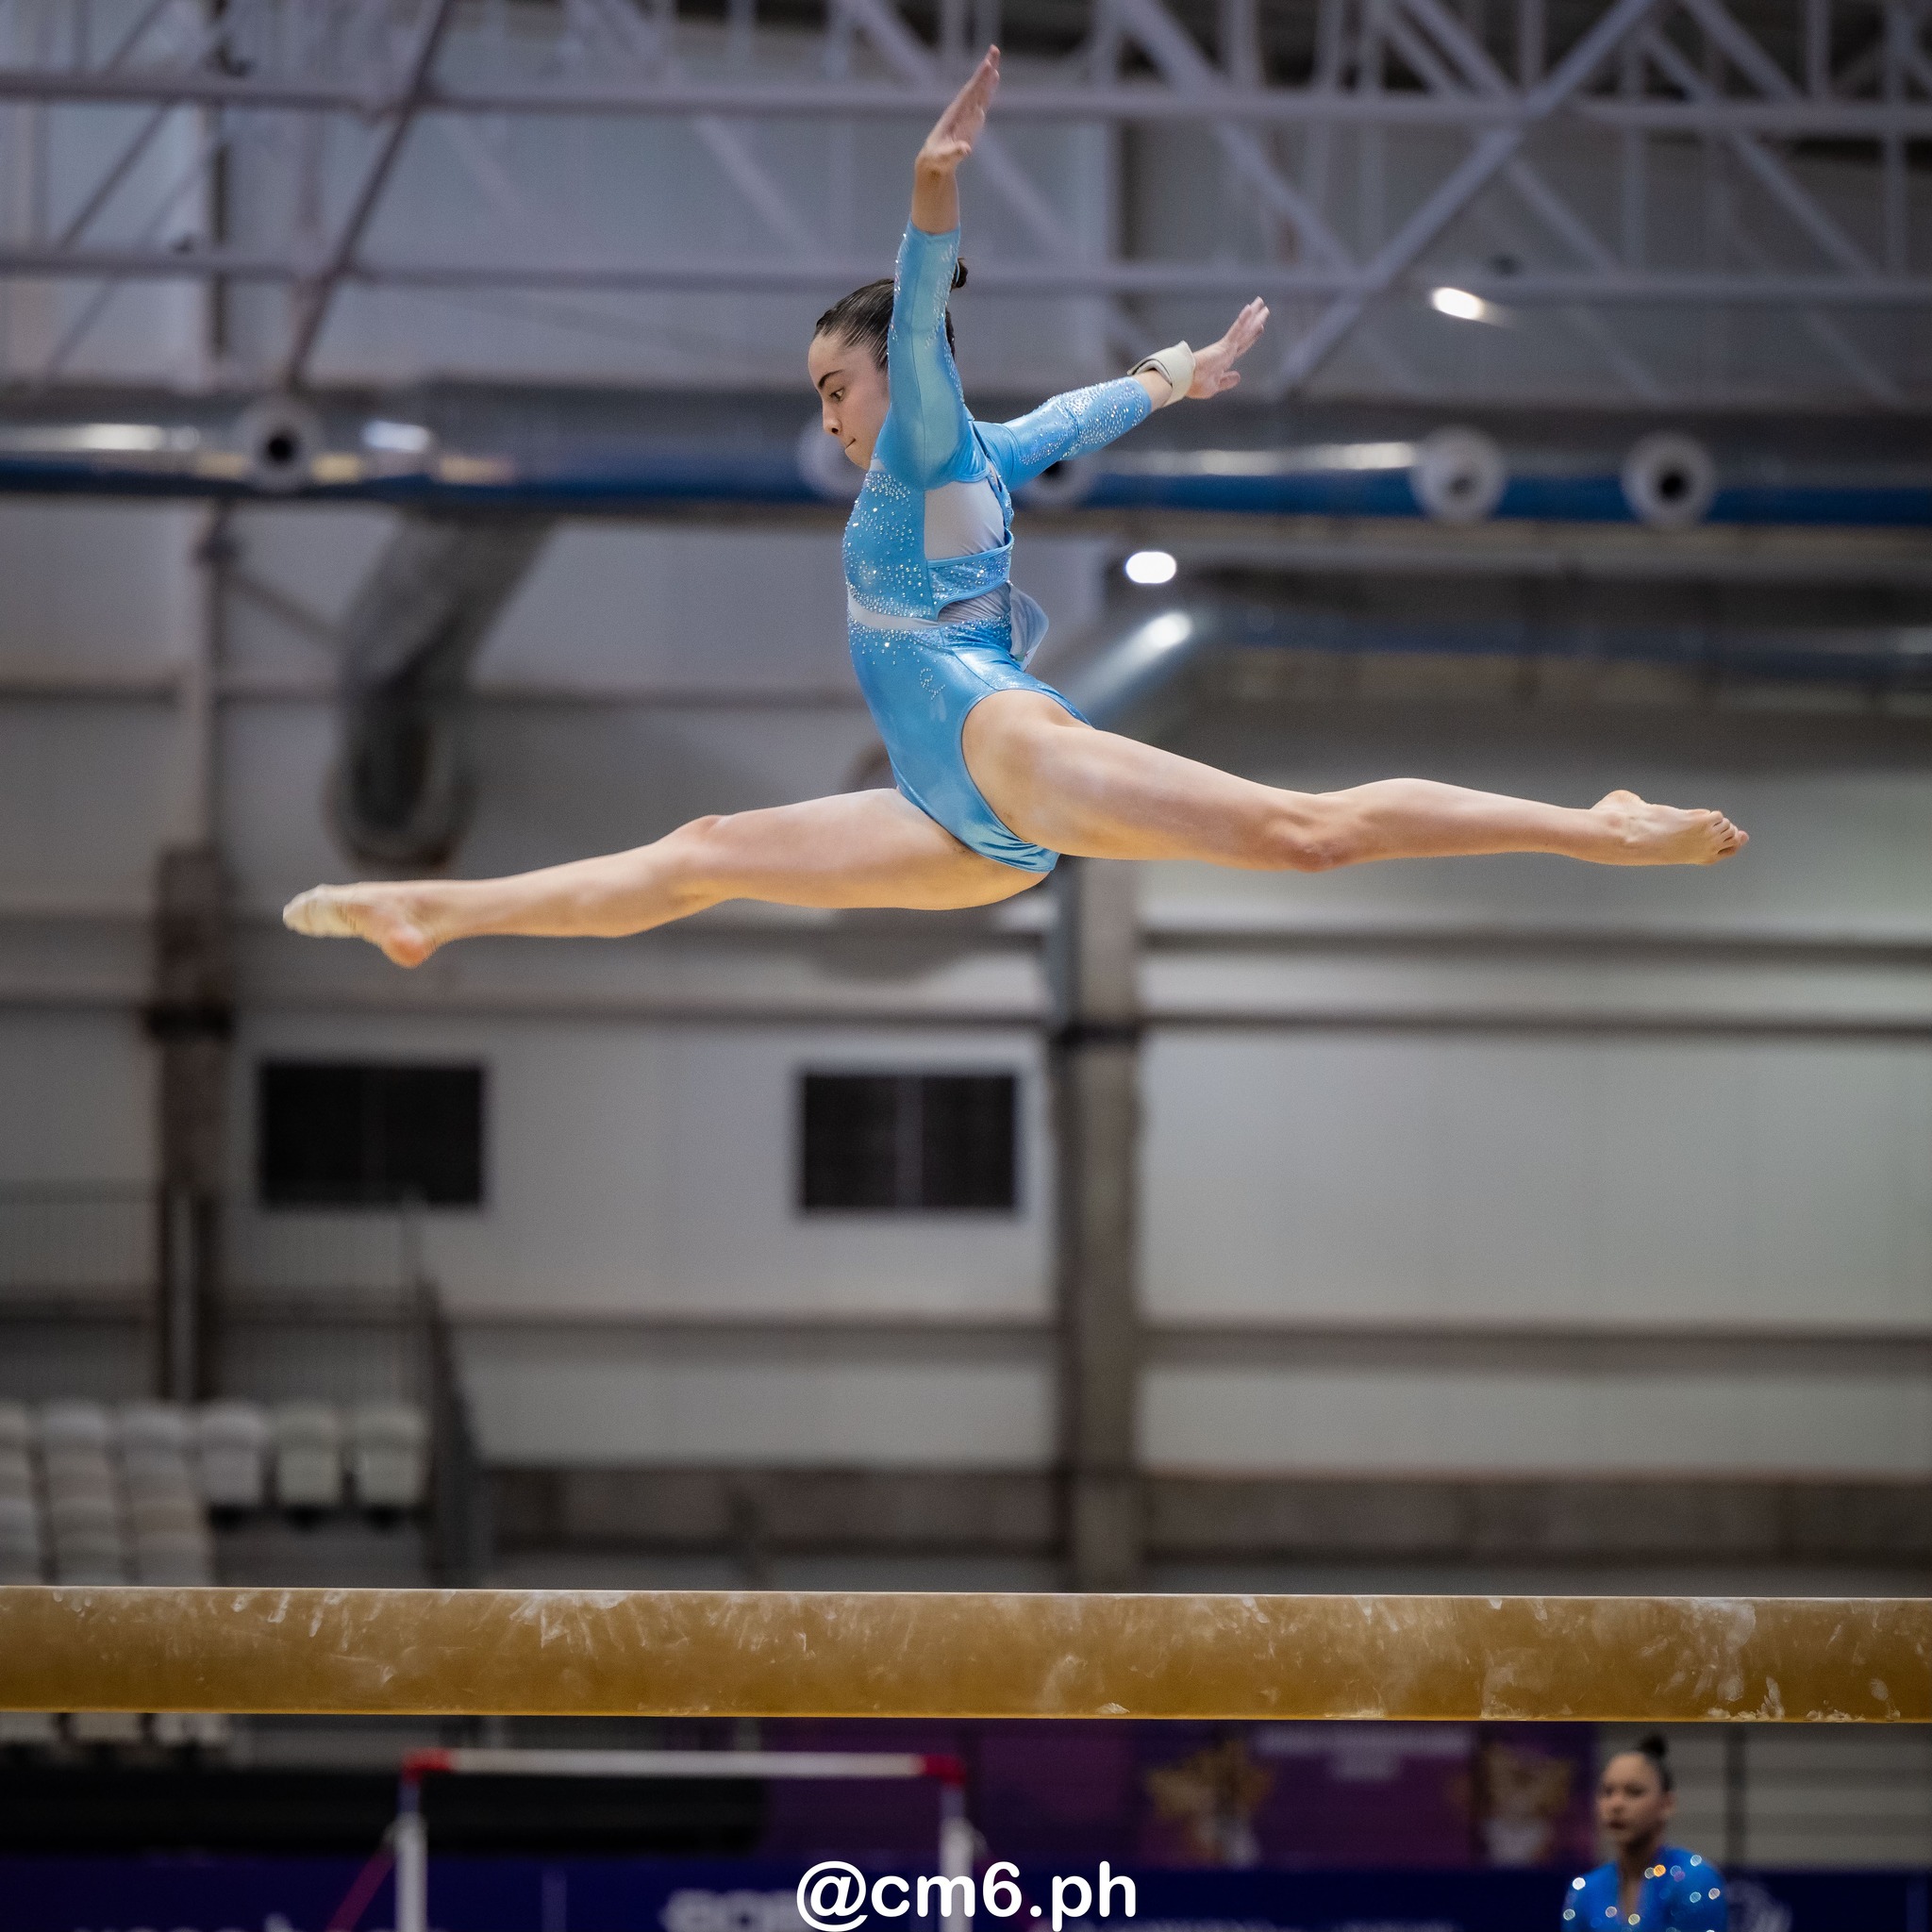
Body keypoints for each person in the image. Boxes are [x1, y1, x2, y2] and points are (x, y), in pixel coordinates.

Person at [282, 47, 1745, 968]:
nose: (831, 414)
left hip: (999, 749)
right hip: (949, 819)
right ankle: (437, 913)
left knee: (1310, 837)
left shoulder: (924, 438)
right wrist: (1180, 373)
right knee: (703, 852)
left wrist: (932, 193)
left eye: (829, 387)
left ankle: (1595, 822)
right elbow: (1085, 412)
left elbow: (921, 332)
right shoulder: (981, 453)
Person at [1564, 1736, 1726, 1930]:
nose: (1616, 1804)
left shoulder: (1694, 1880)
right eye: (1607, 1792)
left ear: (1667, 1804)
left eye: (1634, 1792)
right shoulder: (1584, 1891)